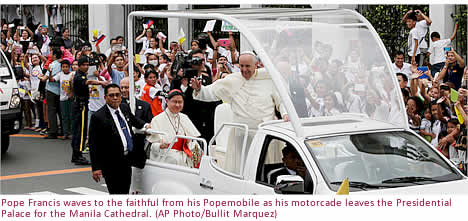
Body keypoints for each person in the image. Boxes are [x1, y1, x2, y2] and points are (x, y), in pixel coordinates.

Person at [190, 52, 288, 174]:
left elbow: (282, 101)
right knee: (241, 169)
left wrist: (285, 114)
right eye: (241, 66)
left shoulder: (268, 78)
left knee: (264, 170)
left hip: (264, 134)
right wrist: (199, 89)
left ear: (256, 65)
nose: (244, 70)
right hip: (242, 134)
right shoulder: (233, 80)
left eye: (247, 66)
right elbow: (211, 92)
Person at [89, 84, 148, 194]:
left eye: (117, 95)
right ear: (105, 97)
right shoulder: (98, 117)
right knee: (116, 193)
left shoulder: (124, 108)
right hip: (111, 163)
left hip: (127, 160)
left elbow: (134, 120)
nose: (115, 98)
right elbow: (94, 144)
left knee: (125, 191)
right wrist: (96, 168)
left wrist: (145, 126)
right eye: (111, 95)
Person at [147, 89, 201, 168]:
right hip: (167, 156)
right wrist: (160, 146)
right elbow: (153, 145)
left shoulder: (184, 117)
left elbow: (193, 138)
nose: (177, 105)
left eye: (180, 102)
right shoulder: (157, 119)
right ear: (167, 101)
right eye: (174, 102)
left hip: (184, 154)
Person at [71, 56, 106, 165]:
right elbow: (87, 82)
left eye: (87, 65)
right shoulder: (79, 76)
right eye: (84, 65)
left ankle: (76, 154)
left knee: (78, 130)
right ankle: (78, 155)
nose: (86, 67)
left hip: (82, 104)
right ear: (79, 66)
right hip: (81, 105)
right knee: (81, 131)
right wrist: (101, 83)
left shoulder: (81, 75)